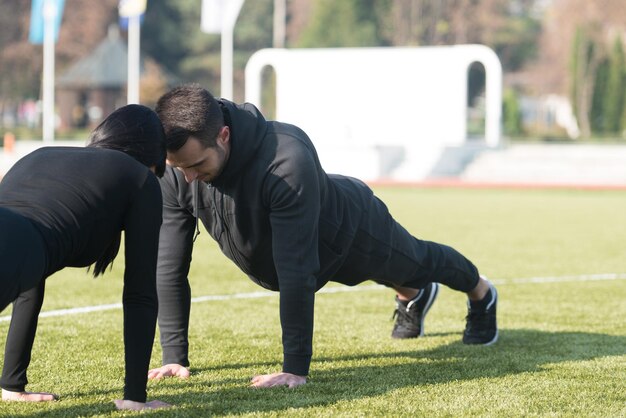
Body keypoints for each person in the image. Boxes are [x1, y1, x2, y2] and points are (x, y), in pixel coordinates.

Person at [148, 85, 498, 388]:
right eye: (180, 168)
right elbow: (169, 265)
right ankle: (413, 296)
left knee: (417, 262)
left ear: (223, 135)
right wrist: (174, 356)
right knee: (403, 278)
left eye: (196, 165)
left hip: (348, 230)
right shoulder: (177, 171)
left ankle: (480, 291)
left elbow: (296, 269)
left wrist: (294, 368)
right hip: (289, 252)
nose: (188, 178)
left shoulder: (285, 159)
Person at [0, 104, 170, 410]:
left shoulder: (40, 156)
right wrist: (135, 398)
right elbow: (140, 293)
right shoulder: (139, 178)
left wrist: (12, 385)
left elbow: (29, 280)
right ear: (150, 158)